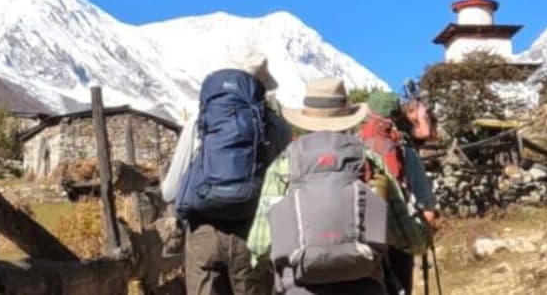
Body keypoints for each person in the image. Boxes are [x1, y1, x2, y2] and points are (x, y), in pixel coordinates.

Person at [246, 78, 430, 295]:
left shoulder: (283, 166)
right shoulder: (369, 162)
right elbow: (411, 239)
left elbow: (259, 246)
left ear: (306, 118)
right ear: (347, 116)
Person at [163, 61, 291, 295]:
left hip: (203, 232)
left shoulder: (200, 120)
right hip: (253, 235)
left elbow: (169, 191)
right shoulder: (278, 126)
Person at [363, 91, 439, 295]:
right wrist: (427, 223)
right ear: (396, 115)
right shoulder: (400, 143)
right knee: (401, 286)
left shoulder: (354, 142)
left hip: (363, 231)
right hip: (397, 227)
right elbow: (422, 193)